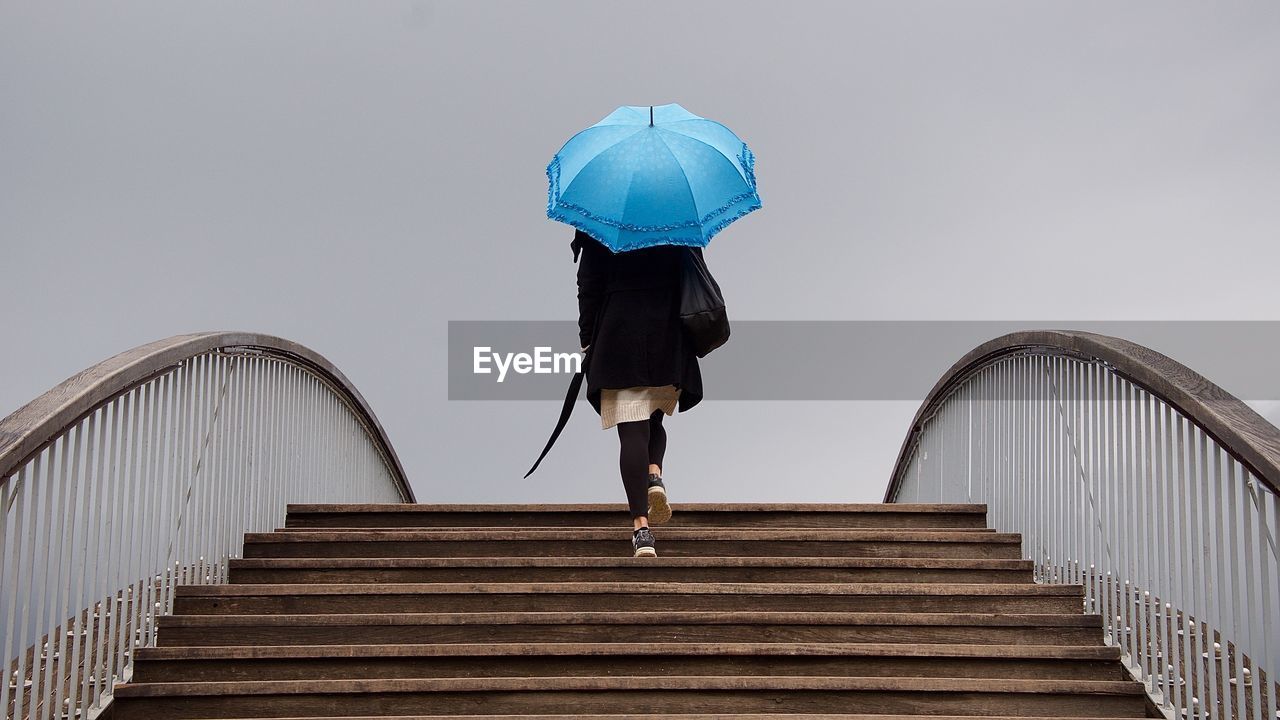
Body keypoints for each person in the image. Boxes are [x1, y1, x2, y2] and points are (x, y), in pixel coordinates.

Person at [572, 229, 703, 557]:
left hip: (620, 329)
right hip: (666, 329)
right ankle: (654, 473)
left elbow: (588, 285)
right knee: (654, 416)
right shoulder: (677, 213)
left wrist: (587, 337)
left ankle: (641, 530)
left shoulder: (600, 217)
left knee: (632, 428)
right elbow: (694, 272)